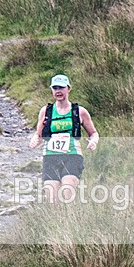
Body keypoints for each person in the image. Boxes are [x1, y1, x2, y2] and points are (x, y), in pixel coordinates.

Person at [29, 74, 98, 203]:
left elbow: (93, 133)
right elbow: (38, 133)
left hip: (72, 156)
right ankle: (56, 223)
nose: (58, 91)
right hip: (50, 157)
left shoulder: (79, 111)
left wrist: (93, 142)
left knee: (67, 196)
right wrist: (35, 139)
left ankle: (70, 221)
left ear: (68, 89)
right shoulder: (46, 111)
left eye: (61, 88)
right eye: (55, 88)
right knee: (53, 201)